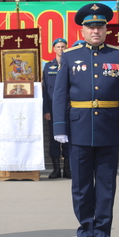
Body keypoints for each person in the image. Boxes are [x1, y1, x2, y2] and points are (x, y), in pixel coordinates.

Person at [52, 3, 119, 237]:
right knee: (80, 186)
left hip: (109, 128)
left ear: (106, 29)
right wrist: (60, 126)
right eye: (90, 26)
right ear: (82, 30)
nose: (95, 31)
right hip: (78, 129)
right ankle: (85, 232)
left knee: (106, 186)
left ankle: (102, 234)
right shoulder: (70, 56)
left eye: (99, 26)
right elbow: (59, 95)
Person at [42, 38, 71, 179]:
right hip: (53, 110)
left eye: (63, 47)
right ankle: (56, 169)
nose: (61, 49)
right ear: (54, 49)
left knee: (68, 139)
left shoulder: (71, 65)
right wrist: (46, 110)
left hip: (68, 108)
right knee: (54, 140)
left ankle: (67, 169)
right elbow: (45, 90)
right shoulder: (48, 67)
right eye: (58, 47)